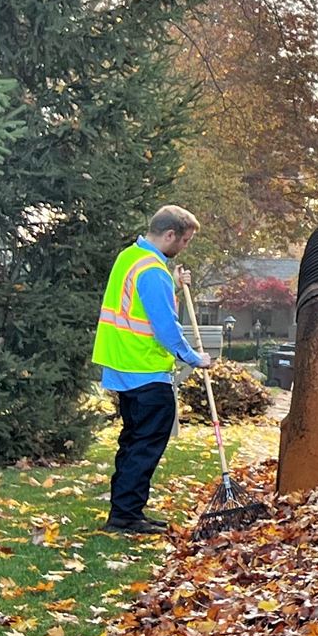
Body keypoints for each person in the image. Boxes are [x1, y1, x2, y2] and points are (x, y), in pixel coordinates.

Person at [93, 206, 211, 535]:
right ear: (169, 235)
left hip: (123, 367)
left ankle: (126, 510)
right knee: (145, 445)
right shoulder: (153, 272)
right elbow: (164, 327)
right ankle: (126, 516)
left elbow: (140, 304)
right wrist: (194, 357)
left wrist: (171, 283)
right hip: (145, 369)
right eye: (184, 240)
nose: (184, 247)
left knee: (133, 442)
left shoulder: (131, 258)